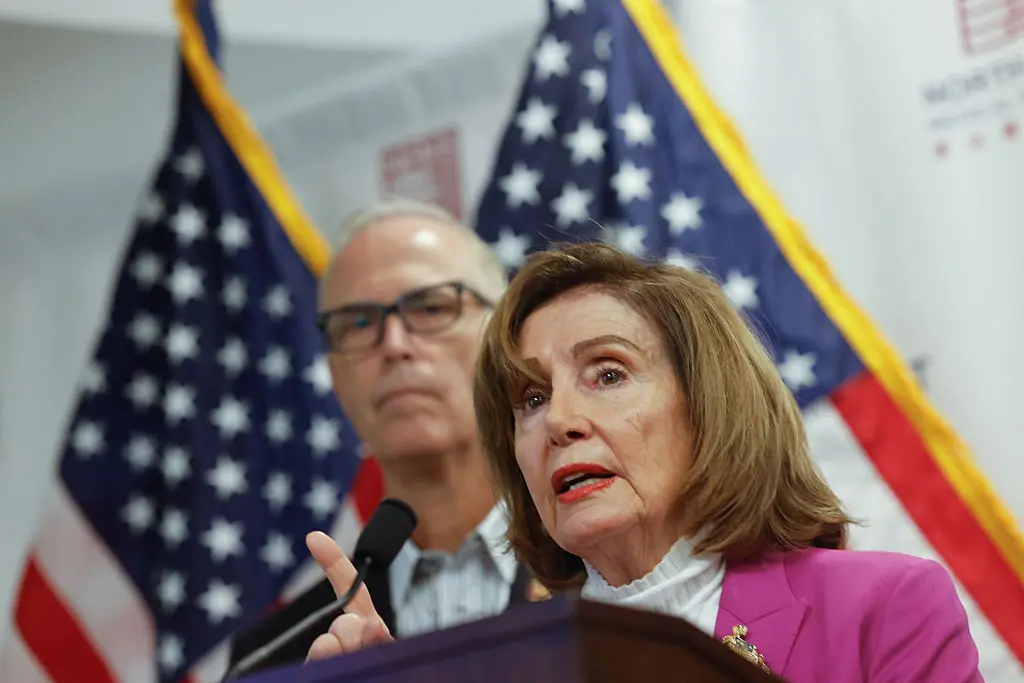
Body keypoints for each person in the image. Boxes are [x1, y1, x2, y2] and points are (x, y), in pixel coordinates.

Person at [305, 242, 984, 683]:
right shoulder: (508, 668)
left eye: (607, 373)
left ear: (708, 405)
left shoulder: (882, 606)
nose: (561, 420)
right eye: (532, 397)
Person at [227, 200, 542, 674]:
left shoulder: (615, 575)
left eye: (433, 306)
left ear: (501, 335)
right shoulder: (279, 658)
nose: (394, 345)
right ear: (334, 374)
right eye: (357, 323)